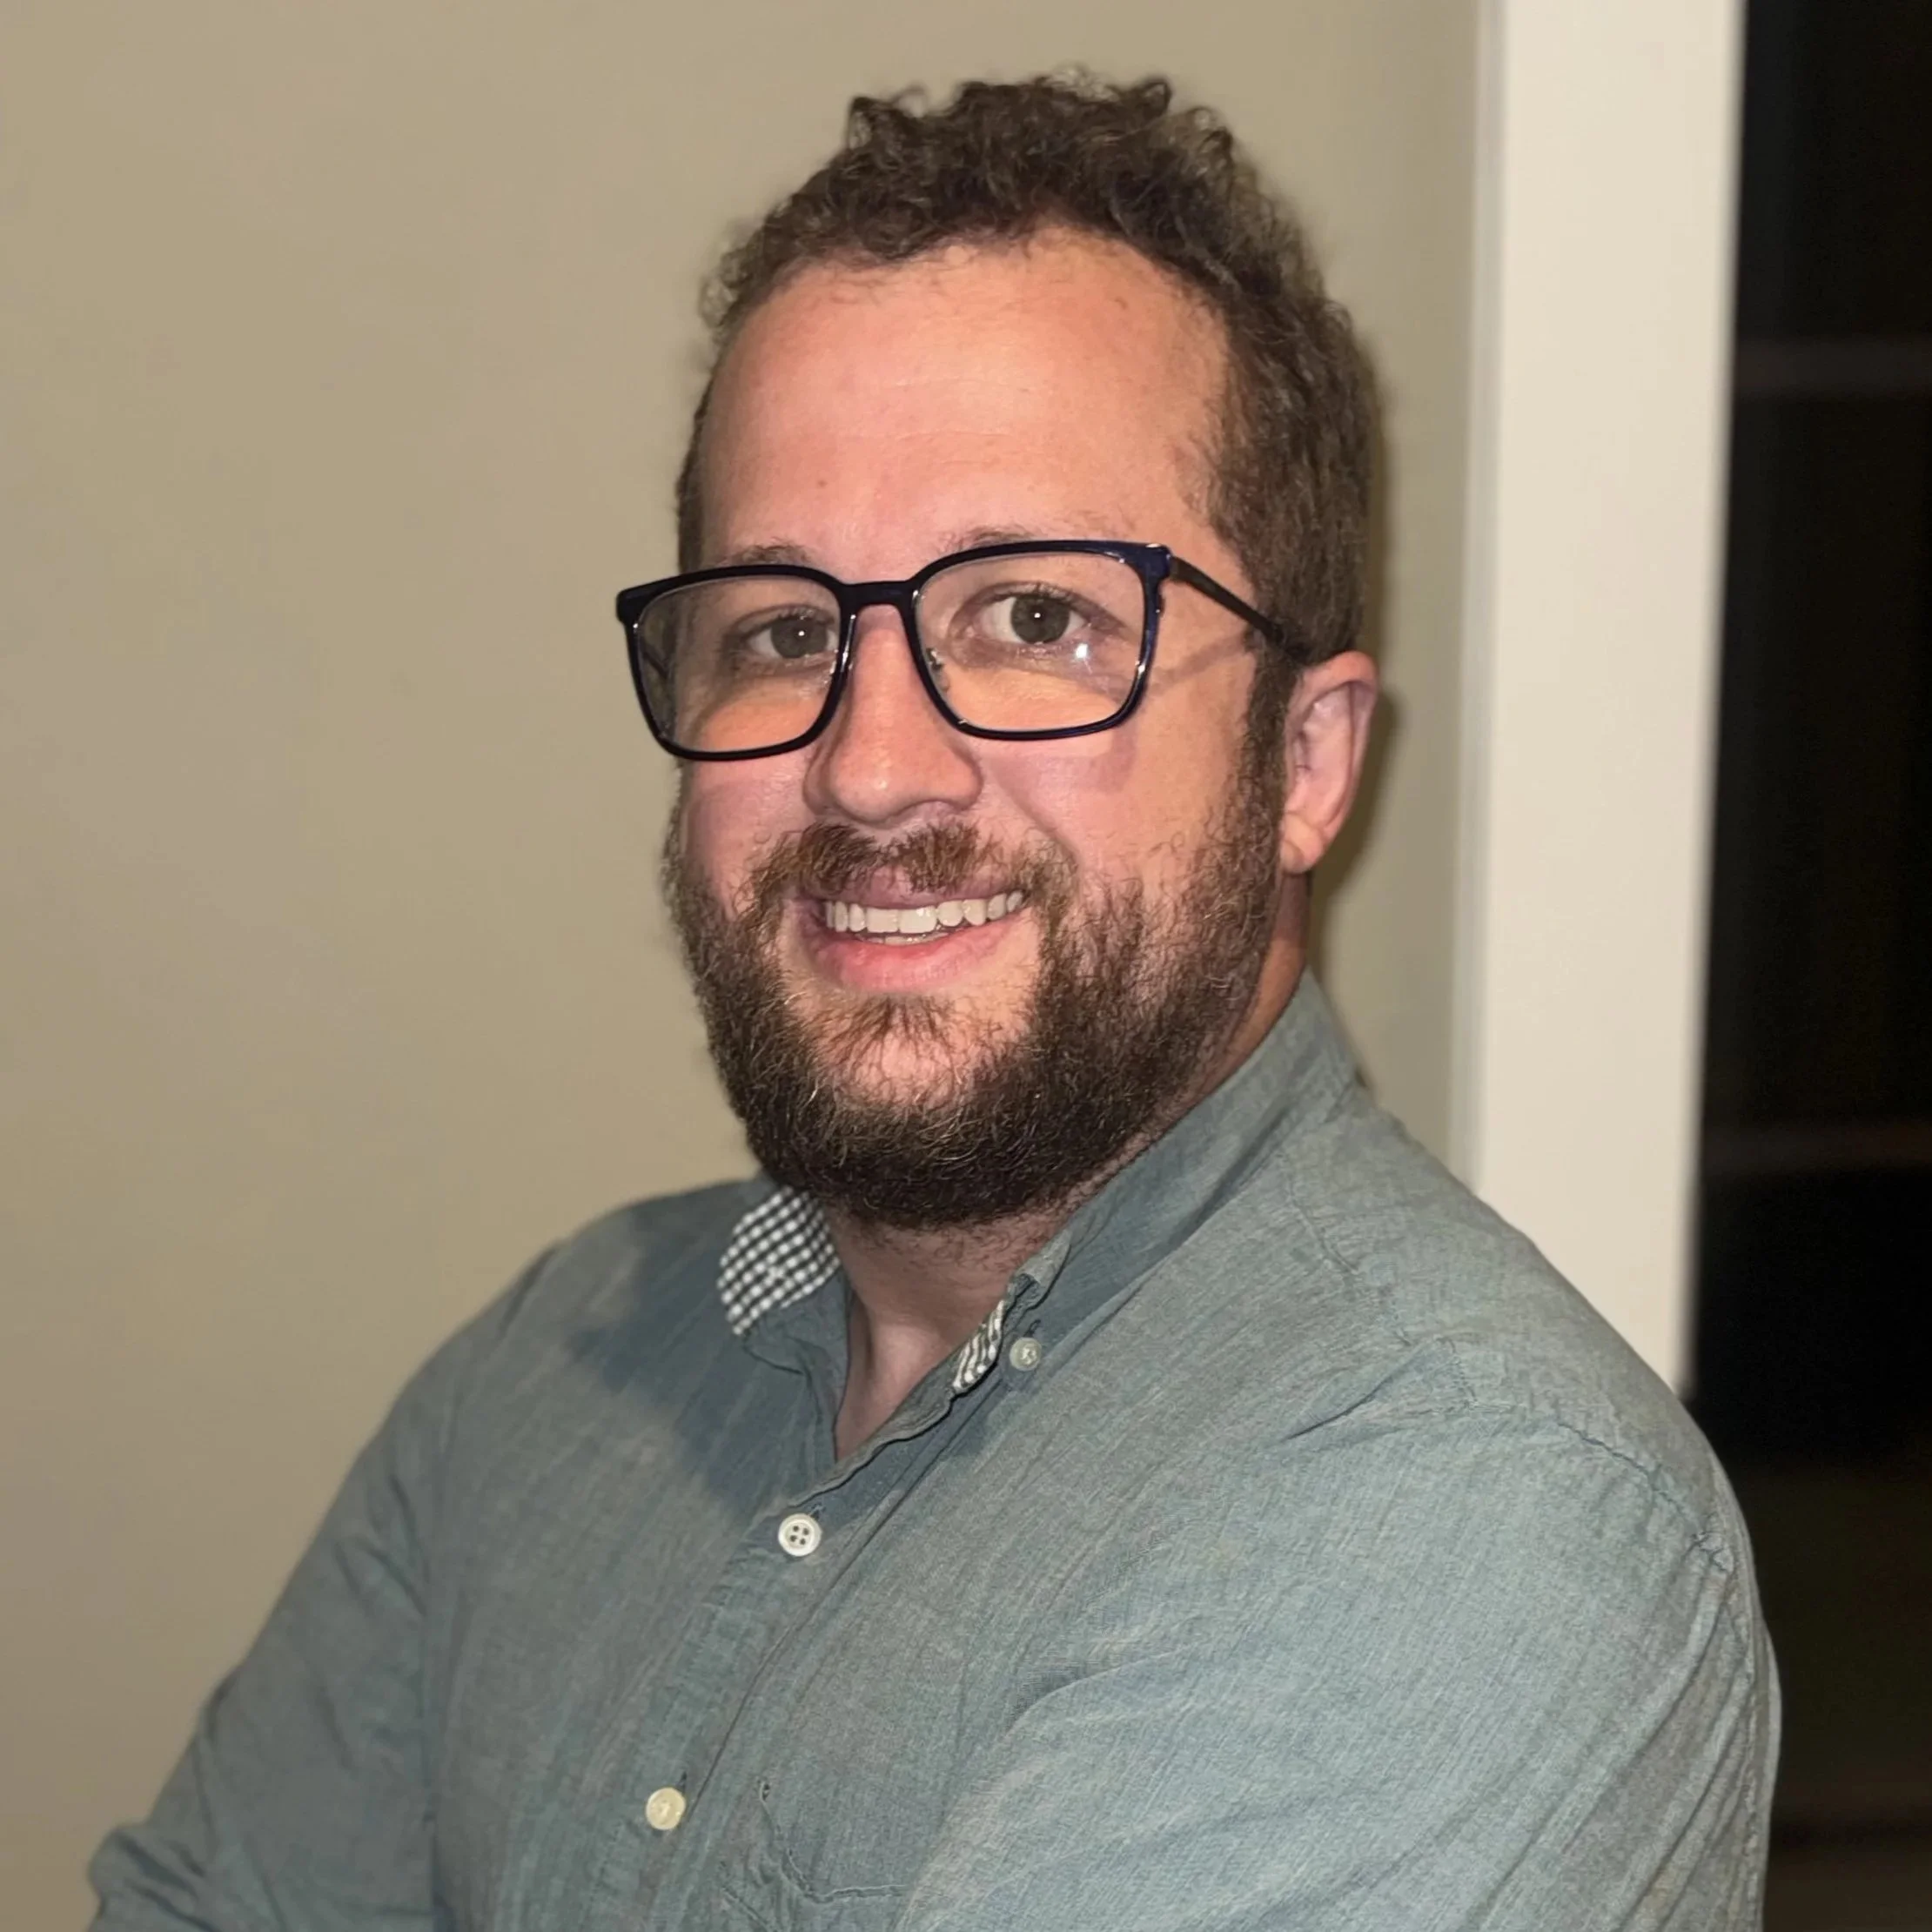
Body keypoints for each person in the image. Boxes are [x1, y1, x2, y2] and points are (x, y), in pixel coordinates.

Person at [91, 74, 1776, 1931]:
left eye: (1037, 618)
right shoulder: (550, 1371)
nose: (874, 766)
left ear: (1306, 762)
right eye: (785, 633)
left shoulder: (1476, 1511)